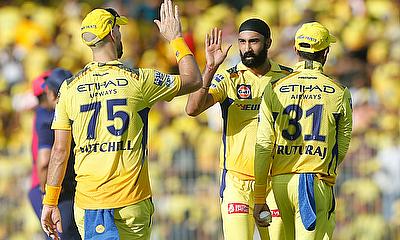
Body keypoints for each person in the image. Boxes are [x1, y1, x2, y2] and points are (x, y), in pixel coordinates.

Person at [40, 1, 202, 239]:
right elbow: (193, 79)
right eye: (119, 29)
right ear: (112, 34)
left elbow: (60, 151)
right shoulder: (139, 79)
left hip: (88, 203)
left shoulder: (68, 88)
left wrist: (50, 201)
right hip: (131, 202)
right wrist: (176, 38)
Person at [185, 19, 292, 240]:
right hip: (237, 183)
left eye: (254, 42)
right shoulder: (229, 77)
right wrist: (210, 68)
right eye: (242, 42)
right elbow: (192, 108)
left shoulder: (287, 79)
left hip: (275, 182)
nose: (247, 48)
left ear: (268, 42)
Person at [253, 22, 353, 240]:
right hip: (314, 181)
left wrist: (260, 195)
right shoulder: (339, 92)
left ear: (296, 50)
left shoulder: (274, 88)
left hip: (281, 183)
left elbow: (263, 146)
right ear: (325, 53)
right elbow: (342, 145)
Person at [29, 69, 81, 240]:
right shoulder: (76, 113)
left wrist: (47, 195)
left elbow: (45, 161)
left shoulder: (44, 117)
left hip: (54, 188)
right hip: (67, 188)